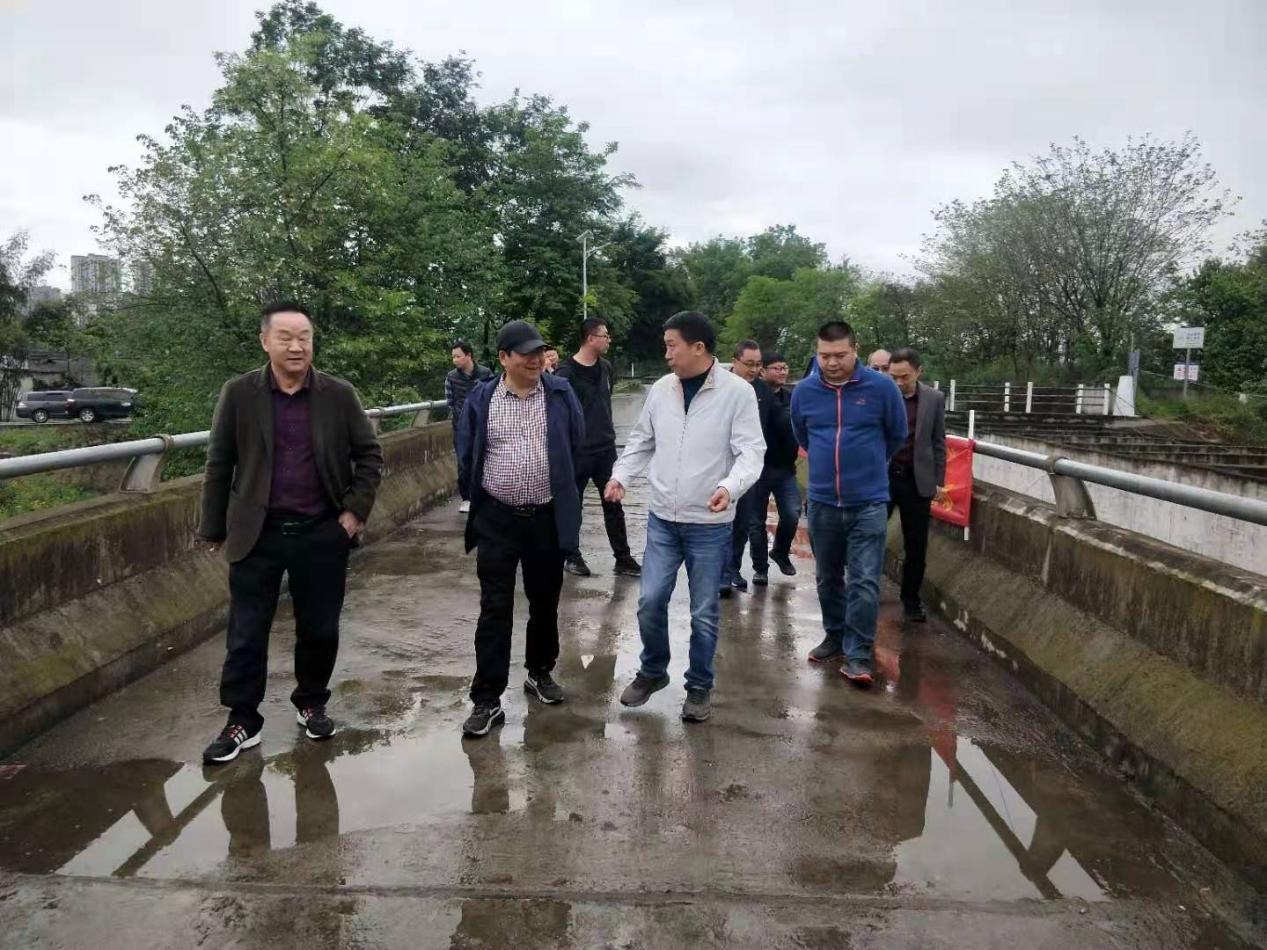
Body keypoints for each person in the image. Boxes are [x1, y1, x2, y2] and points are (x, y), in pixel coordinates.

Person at [197, 302, 383, 764]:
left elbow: (369, 455)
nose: (296, 346)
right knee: (246, 632)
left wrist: (353, 514)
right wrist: (213, 527)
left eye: (304, 337)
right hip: (258, 533)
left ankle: (312, 702)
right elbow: (219, 463)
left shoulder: (338, 394)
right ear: (265, 341)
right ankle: (243, 718)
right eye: (285, 337)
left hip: (321, 531)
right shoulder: (239, 394)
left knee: (319, 627)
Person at [605, 311, 765, 723]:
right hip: (663, 518)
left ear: (698, 347)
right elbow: (642, 441)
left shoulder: (737, 393)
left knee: (703, 611)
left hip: (709, 525)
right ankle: (653, 670)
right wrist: (621, 476)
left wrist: (730, 486)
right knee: (650, 599)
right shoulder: (662, 389)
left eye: (671, 345)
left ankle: (699, 686)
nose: (667, 354)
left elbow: (752, 452)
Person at [456, 320, 586, 737]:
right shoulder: (482, 399)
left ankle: (539, 671)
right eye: (525, 353)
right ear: (503, 358)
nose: (535, 359)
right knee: (495, 608)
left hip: (546, 518)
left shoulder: (561, 394)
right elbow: (467, 453)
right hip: (497, 519)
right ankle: (487, 698)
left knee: (545, 601)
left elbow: (576, 446)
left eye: (539, 352)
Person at [791, 321, 906, 686]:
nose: (831, 362)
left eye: (840, 355)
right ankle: (835, 636)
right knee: (827, 577)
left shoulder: (882, 388)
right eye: (824, 355)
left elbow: (896, 434)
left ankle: (858, 653)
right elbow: (803, 435)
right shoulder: (804, 392)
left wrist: (868, 467)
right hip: (823, 501)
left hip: (868, 502)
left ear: (855, 350)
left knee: (864, 581)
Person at [555, 317, 641, 577]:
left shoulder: (605, 368)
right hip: (578, 451)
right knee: (574, 504)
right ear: (591, 339)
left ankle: (623, 558)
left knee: (614, 503)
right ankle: (571, 555)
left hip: (605, 449)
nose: (608, 340)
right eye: (605, 335)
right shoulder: (566, 373)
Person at [886, 347, 947, 622]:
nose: (899, 383)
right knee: (869, 537)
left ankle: (911, 600)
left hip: (917, 481)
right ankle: (863, 592)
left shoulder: (934, 399)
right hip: (884, 477)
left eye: (905, 377)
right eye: (894, 377)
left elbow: (938, 442)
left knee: (916, 545)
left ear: (919, 372)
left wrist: (939, 481)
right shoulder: (883, 394)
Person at [721, 340, 771, 596]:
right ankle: (718, 573)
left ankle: (732, 569)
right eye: (749, 364)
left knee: (742, 522)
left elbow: (772, 426)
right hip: (719, 466)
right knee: (719, 522)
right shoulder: (719, 386)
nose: (753, 370)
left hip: (748, 469)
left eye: (758, 364)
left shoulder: (762, 390)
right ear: (735, 361)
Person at [748, 351, 802, 582]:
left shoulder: (792, 398)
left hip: (785, 468)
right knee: (755, 522)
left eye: (784, 367)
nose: (782, 372)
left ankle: (780, 551)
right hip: (758, 469)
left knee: (792, 513)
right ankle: (760, 567)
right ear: (763, 371)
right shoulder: (752, 395)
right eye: (777, 368)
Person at [446, 342, 493, 514]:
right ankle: (466, 498)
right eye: (453, 357)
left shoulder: (485, 374)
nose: (455, 360)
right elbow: (450, 401)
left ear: (469, 355)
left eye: (458, 356)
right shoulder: (451, 377)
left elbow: (492, 396)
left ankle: (484, 495)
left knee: (484, 459)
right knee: (463, 461)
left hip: (482, 423)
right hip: (460, 426)